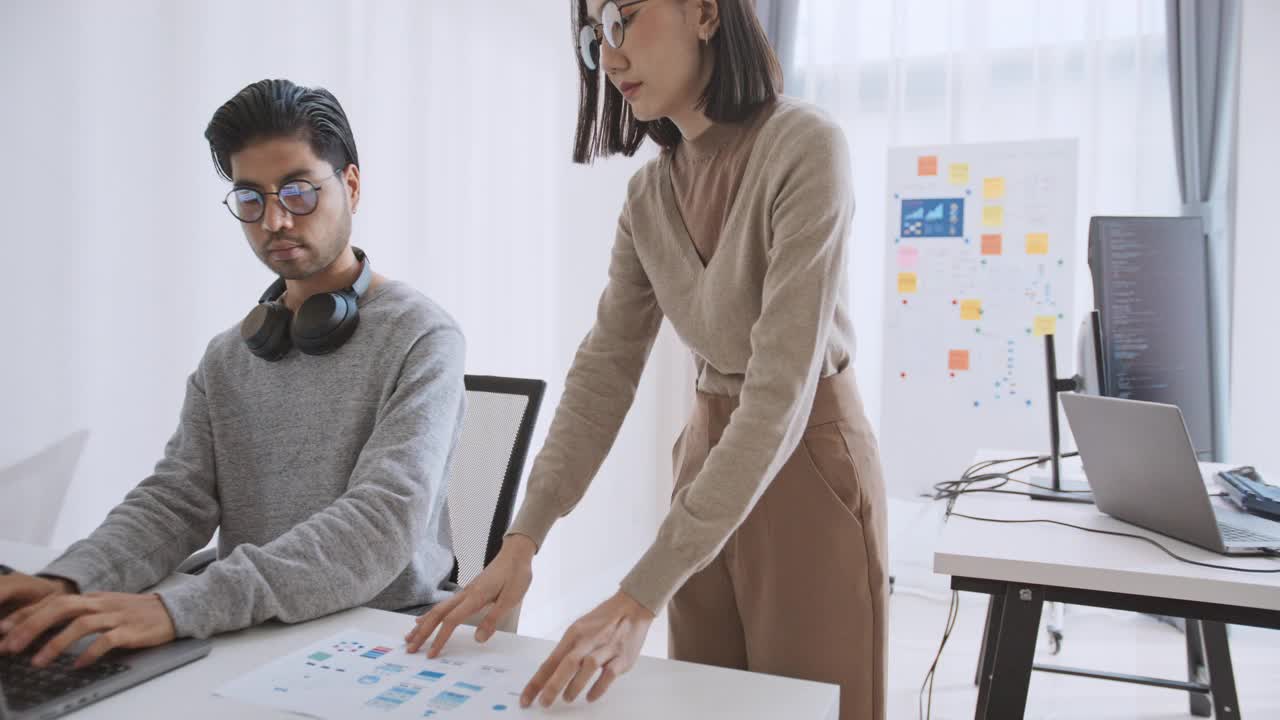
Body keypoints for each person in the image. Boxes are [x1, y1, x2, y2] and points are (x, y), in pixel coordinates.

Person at [405, 2, 887, 718]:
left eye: (625, 17)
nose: (611, 54)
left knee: (811, 708)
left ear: (703, 12)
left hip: (807, 463)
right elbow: (603, 372)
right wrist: (523, 539)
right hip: (706, 462)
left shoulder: (805, 146)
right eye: (596, 33)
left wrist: (636, 597)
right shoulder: (648, 196)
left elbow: (779, 394)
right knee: (708, 706)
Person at [0, 79, 466, 669]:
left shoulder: (422, 336)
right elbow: (176, 501)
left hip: (381, 634)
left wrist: (178, 608)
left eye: (298, 192)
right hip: (251, 629)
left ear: (350, 184)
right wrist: (70, 580)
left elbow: (379, 526)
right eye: (251, 198)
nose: (274, 220)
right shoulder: (229, 356)